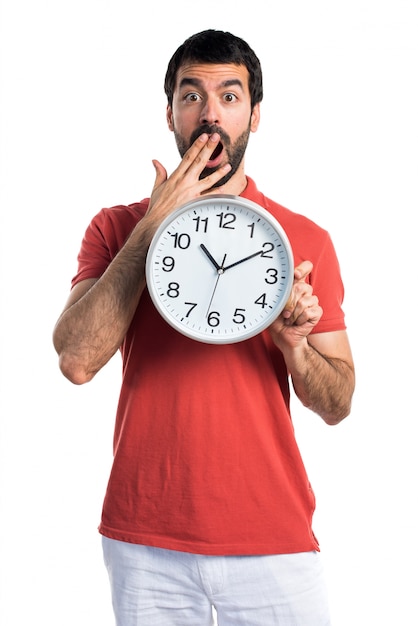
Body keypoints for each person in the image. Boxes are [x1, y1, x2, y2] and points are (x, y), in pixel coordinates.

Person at [53, 29, 355, 626]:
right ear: (170, 111)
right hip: (145, 539)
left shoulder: (304, 240)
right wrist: (154, 225)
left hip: (274, 536)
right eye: (191, 95)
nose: (210, 113)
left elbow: (339, 402)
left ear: (256, 115)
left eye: (230, 96)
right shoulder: (115, 228)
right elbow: (76, 360)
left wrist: (294, 346)